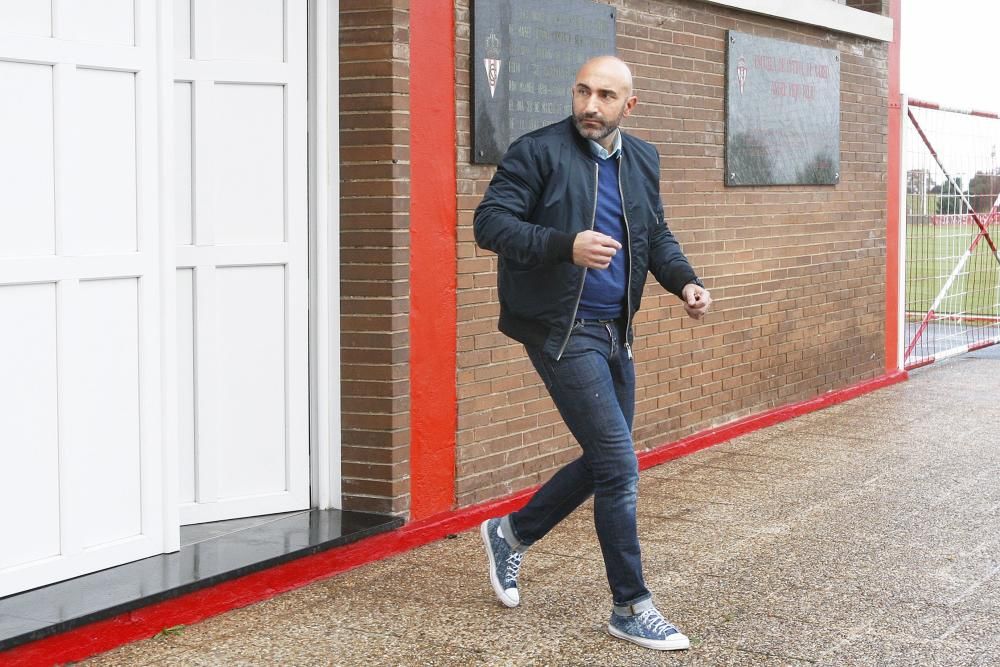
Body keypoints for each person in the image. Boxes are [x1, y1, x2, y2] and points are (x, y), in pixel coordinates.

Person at [473, 55, 711, 651]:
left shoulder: (643, 159)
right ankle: (631, 606)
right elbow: (490, 223)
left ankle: (511, 533)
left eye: (606, 95)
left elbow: (654, 234)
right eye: (583, 91)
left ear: (629, 105)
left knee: (608, 460)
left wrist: (684, 281)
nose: (590, 106)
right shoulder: (538, 152)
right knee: (619, 466)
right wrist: (564, 245)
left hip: (614, 329)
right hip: (560, 328)